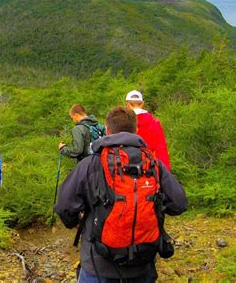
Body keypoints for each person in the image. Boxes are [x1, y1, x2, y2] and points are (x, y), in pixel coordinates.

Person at [55, 106, 187, 282]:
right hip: (143, 263)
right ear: (136, 129)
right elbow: (179, 204)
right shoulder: (153, 163)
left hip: (99, 264)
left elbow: (64, 206)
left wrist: (78, 223)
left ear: (107, 130)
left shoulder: (90, 165)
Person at [125, 90, 171, 171]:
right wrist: (166, 172)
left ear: (127, 104)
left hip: (126, 168)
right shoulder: (154, 122)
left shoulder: (122, 122)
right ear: (142, 104)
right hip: (148, 169)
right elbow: (161, 149)